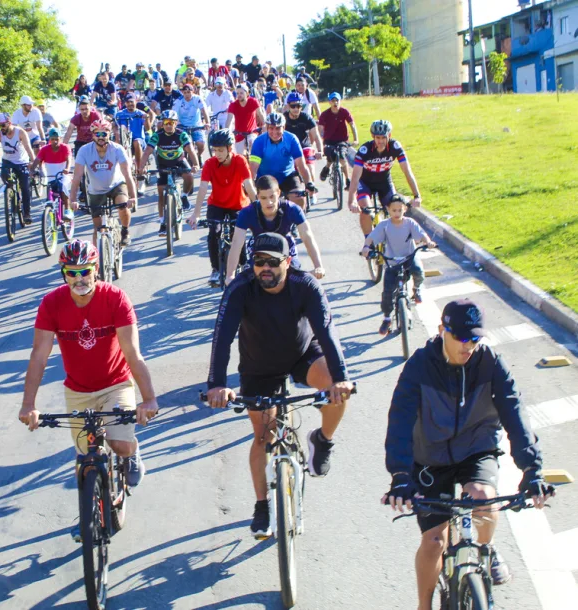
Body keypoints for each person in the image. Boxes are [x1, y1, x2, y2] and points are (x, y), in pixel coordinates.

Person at [382, 299, 555, 610]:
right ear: (441, 331)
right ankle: (424, 605)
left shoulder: (490, 363)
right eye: (460, 338)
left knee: (483, 500)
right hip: (429, 459)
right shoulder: (420, 365)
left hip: (476, 450)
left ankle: (486, 550)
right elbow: (400, 421)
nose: (468, 346)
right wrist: (400, 475)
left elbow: (515, 412)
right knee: (435, 541)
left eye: (474, 338)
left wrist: (532, 470)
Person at [206, 232, 354, 538]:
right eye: (258, 262)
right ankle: (262, 505)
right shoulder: (240, 289)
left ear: (287, 262)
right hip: (259, 367)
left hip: (303, 356)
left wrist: (340, 378)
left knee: (335, 392)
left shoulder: (305, 285)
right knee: (263, 436)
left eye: (272, 262)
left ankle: (323, 440)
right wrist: (217, 384)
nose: (264, 269)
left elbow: (327, 331)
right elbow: (222, 338)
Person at [18, 240, 159, 495]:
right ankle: (90, 519)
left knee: (120, 444)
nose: (79, 278)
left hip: (115, 384)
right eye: (72, 272)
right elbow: (39, 356)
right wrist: (28, 404)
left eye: (85, 271)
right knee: (84, 459)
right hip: (78, 391)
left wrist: (148, 399)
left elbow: (132, 353)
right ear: (64, 274)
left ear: (96, 269)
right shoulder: (51, 303)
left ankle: (132, 453)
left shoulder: (116, 298)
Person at [187, 129, 256, 286]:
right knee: (214, 233)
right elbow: (203, 188)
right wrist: (196, 214)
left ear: (230, 149)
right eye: (215, 150)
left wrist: (257, 207)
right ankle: (216, 270)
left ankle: (244, 262)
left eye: (221, 150)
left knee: (237, 233)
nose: (217, 154)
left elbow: (249, 185)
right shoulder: (210, 164)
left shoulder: (240, 161)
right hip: (216, 204)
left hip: (238, 204)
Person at [226, 175, 326, 285]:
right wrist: (230, 275)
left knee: (293, 280)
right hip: (259, 251)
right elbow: (236, 243)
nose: (269, 202)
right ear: (257, 196)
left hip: (286, 250)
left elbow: (307, 236)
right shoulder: (247, 213)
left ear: (278, 193)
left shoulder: (292, 209)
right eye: (263, 198)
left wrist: (318, 266)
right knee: (252, 282)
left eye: (272, 197)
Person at [361, 195, 435, 335]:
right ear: (388, 210)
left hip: (409, 258)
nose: (396, 213)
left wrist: (428, 242)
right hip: (392, 261)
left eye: (399, 210)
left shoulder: (410, 223)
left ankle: (416, 288)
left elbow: (422, 234)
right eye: (393, 210)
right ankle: (387, 318)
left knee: (418, 270)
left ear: (405, 209)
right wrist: (366, 247)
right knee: (387, 293)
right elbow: (372, 237)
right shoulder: (385, 225)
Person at [348, 120, 423, 237]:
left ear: (389, 136)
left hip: (384, 182)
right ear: (373, 136)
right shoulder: (365, 150)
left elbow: (407, 171)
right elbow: (355, 176)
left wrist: (417, 195)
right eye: (377, 138)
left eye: (384, 137)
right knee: (365, 209)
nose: (381, 141)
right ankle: (369, 242)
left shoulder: (395, 147)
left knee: (396, 207)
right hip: (365, 183)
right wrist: (351, 200)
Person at [69, 119, 137, 247]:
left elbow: (127, 174)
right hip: (95, 190)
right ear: (93, 135)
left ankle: (125, 231)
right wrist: (72, 200)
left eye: (104, 134)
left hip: (116, 185)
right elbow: (77, 176)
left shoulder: (117, 149)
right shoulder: (84, 150)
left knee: (122, 205)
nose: (101, 137)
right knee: (98, 227)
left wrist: (133, 197)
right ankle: (98, 258)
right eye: (97, 134)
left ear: (109, 134)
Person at [138, 110, 199, 237]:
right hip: (163, 164)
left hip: (179, 161)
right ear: (162, 124)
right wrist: (141, 167)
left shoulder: (181, 134)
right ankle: (162, 223)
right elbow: (147, 151)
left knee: (189, 176)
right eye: (166, 122)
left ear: (176, 123)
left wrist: (195, 164)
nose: (168, 125)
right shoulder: (157, 135)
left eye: (171, 122)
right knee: (161, 193)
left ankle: (184, 195)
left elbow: (190, 149)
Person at [249, 112, 316, 210]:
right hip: (265, 177)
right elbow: (253, 169)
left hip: (287, 176)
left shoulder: (292, 139)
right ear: (267, 128)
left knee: (300, 198)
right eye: (271, 128)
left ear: (283, 127)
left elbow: (301, 166)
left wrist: (308, 183)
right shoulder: (259, 142)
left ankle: (297, 223)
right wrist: (251, 186)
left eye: (278, 128)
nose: (274, 132)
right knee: (260, 206)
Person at [0, 112, 36, 225]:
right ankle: (11, 195)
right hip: (7, 161)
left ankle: (27, 213)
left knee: (25, 188)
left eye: (3, 125)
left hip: (21, 162)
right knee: (6, 178)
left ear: (9, 123)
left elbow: (28, 148)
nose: (1, 128)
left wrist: (33, 162)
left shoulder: (20, 132)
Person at [29, 128, 74, 219]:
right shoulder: (45, 149)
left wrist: (67, 168)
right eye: (52, 139)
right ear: (49, 139)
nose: (55, 141)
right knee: (50, 194)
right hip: (51, 177)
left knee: (63, 187)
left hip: (63, 175)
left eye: (57, 139)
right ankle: (50, 213)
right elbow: (37, 160)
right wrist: (32, 170)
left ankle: (68, 209)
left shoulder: (65, 147)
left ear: (60, 139)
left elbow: (69, 158)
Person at [317, 92, 358, 188]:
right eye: (333, 101)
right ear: (329, 102)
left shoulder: (344, 112)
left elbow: (352, 124)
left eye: (337, 101)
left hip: (342, 140)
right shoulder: (325, 114)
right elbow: (320, 129)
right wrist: (320, 143)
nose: (335, 103)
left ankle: (348, 180)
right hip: (329, 140)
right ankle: (327, 168)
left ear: (340, 101)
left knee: (342, 157)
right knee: (330, 154)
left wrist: (356, 139)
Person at [114, 95, 152, 196]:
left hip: (138, 139)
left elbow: (148, 128)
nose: (130, 104)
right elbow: (115, 126)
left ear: (135, 102)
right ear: (125, 103)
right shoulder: (120, 114)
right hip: (125, 140)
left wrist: (147, 118)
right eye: (128, 102)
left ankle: (140, 170)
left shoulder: (140, 113)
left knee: (136, 142)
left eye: (132, 102)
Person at [284, 91, 324, 183]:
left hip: (305, 147)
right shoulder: (284, 118)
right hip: (289, 149)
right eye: (293, 106)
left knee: (310, 173)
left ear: (301, 107)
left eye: (298, 106)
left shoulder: (306, 118)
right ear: (288, 106)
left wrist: (320, 151)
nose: (295, 109)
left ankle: (312, 195)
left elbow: (316, 136)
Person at [173, 84, 210, 165]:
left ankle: (198, 155)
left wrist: (207, 122)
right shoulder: (178, 101)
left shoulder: (197, 99)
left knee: (201, 145)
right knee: (182, 145)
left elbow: (204, 110)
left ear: (192, 91)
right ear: (182, 92)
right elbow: (174, 114)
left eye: (189, 92)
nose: (187, 95)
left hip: (196, 125)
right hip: (182, 125)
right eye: (185, 92)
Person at [225, 84, 264, 158]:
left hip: (252, 132)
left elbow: (261, 114)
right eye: (237, 93)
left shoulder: (253, 101)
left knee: (253, 146)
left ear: (247, 93)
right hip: (239, 134)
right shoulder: (233, 105)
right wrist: (226, 131)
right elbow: (228, 120)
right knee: (240, 156)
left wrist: (265, 125)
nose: (239, 95)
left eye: (241, 93)